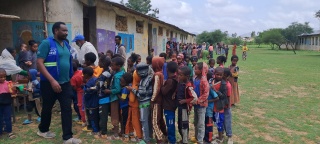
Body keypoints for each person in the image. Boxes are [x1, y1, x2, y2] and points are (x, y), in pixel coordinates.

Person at [36, 22, 81, 143]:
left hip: (65, 82)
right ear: (56, 31)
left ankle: (68, 137)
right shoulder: (47, 43)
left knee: (67, 108)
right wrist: (52, 80)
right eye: (64, 31)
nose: (66, 33)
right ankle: (43, 129)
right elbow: (39, 63)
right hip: (49, 83)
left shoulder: (66, 44)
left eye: (67, 31)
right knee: (47, 107)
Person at [127, 63, 154, 144]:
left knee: (143, 120)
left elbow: (140, 94)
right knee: (148, 120)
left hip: (143, 103)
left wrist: (132, 89)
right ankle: (149, 136)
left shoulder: (143, 81)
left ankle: (146, 140)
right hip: (148, 101)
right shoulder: (149, 77)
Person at [105, 57, 125, 140]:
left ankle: (116, 134)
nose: (111, 67)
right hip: (120, 98)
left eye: (113, 65)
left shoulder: (117, 76)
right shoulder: (122, 72)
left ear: (118, 66)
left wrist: (109, 91)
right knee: (120, 115)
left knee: (115, 115)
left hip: (115, 98)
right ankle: (123, 131)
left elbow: (117, 89)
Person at [176, 66, 197, 144]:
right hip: (180, 107)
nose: (179, 76)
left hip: (185, 108)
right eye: (179, 74)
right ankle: (183, 139)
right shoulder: (180, 82)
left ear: (187, 76)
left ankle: (185, 141)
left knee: (184, 125)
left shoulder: (188, 86)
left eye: (181, 75)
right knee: (180, 124)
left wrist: (186, 100)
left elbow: (194, 98)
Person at [191, 62, 209, 144]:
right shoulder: (195, 78)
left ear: (202, 70)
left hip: (201, 105)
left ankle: (200, 140)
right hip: (196, 104)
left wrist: (198, 100)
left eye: (197, 69)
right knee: (196, 122)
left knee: (201, 123)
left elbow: (206, 94)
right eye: (194, 68)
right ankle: (196, 137)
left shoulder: (203, 80)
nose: (195, 70)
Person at [161, 61, 178, 144]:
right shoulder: (175, 78)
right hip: (172, 104)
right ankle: (170, 138)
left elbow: (164, 91)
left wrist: (161, 85)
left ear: (167, 69)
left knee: (170, 123)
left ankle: (172, 140)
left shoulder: (170, 81)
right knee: (170, 123)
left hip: (169, 105)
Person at [151, 57, 167, 143]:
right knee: (160, 119)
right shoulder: (161, 73)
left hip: (156, 101)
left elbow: (156, 89)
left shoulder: (157, 74)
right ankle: (165, 134)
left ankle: (160, 138)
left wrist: (152, 100)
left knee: (154, 121)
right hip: (160, 100)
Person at [124, 70, 142, 142]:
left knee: (135, 120)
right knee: (130, 119)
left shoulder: (138, 85)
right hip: (131, 105)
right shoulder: (133, 84)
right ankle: (129, 132)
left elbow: (135, 95)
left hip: (135, 105)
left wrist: (131, 90)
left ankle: (138, 135)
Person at [212, 67, 228, 144]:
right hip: (213, 106)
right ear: (214, 74)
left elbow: (223, 96)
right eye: (217, 74)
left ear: (223, 75)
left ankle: (220, 138)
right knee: (216, 121)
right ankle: (219, 135)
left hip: (219, 107)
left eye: (220, 75)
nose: (218, 76)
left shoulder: (223, 84)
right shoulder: (212, 81)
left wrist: (215, 90)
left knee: (219, 122)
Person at [82, 67, 99, 136]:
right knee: (96, 117)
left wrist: (84, 89)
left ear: (86, 74)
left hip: (91, 103)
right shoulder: (96, 79)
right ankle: (96, 128)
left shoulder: (90, 82)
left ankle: (95, 130)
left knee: (92, 117)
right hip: (96, 102)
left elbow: (87, 92)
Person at [0, 68, 16, 139]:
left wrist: (14, 89)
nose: (3, 78)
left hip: (7, 103)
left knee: (8, 117)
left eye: (4, 77)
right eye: (0, 77)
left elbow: (13, 93)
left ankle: (9, 131)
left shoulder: (8, 83)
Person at [204, 70, 218, 143]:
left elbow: (216, 97)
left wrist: (207, 101)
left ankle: (208, 139)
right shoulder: (203, 85)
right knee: (204, 124)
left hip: (209, 110)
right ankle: (205, 137)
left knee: (209, 125)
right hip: (204, 109)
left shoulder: (209, 87)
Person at [70, 61, 86, 126]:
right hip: (85, 91)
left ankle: (83, 120)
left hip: (79, 92)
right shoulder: (81, 72)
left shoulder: (73, 78)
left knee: (80, 106)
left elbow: (74, 87)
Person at [119, 73, 132, 137]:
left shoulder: (124, 89)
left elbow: (123, 99)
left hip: (125, 106)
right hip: (126, 106)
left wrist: (117, 95)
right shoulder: (128, 86)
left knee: (125, 119)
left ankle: (124, 132)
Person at [223, 68, 233, 144]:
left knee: (227, 121)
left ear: (225, 75)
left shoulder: (228, 85)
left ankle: (230, 136)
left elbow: (228, 96)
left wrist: (228, 105)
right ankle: (221, 134)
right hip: (221, 105)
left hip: (226, 106)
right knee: (221, 120)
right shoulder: (221, 83)